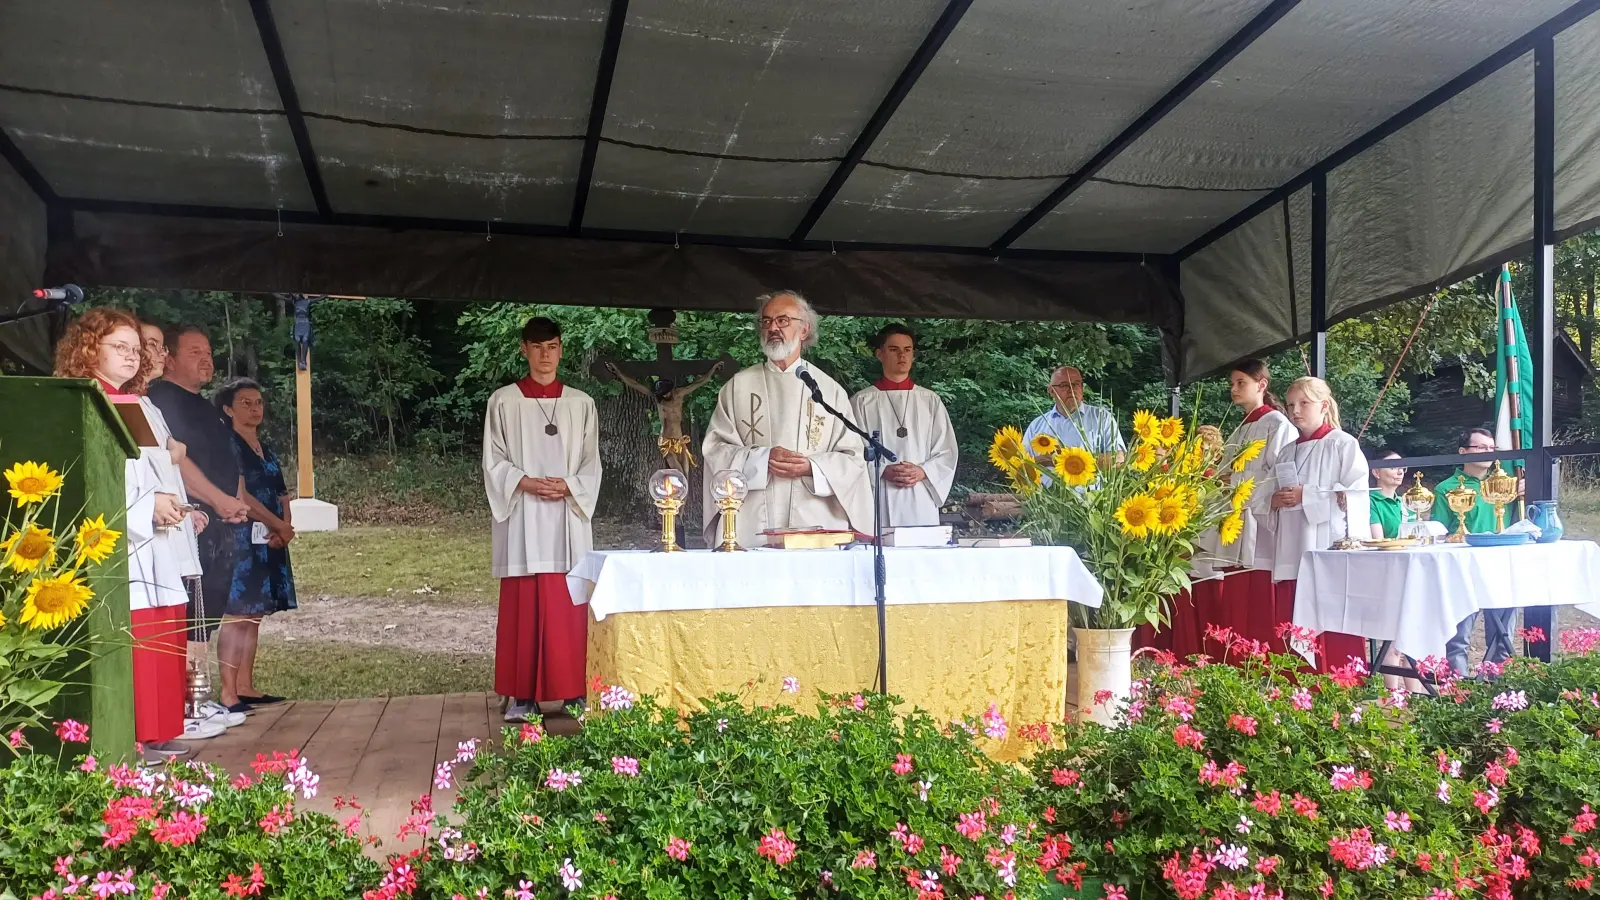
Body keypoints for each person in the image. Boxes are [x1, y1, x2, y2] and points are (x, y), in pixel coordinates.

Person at [51, 309, 238, 755]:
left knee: (162, 633)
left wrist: (173, 503)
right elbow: (92, 477)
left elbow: (148, 469)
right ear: (88, 347)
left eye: (136, 349)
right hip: (124, 546)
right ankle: (132, 740)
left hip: (157, 541)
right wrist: (145, 508)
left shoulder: (131, 402)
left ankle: (157, 731)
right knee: (136, 639)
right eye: (120, 347)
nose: (132, 356)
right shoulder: (87, 400)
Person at [483, 317, 601, 723]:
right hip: (523, 515)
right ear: (524, 350)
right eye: (536, 347)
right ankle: (522, 695)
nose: (545, 355)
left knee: (568, 603)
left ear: (561, 349)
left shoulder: (581, 404)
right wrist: (526, 482)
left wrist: (569, 486)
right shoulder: (503, 402)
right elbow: (494, 461)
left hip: (568, 515)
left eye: (551, 346)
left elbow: (591, 462)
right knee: (524, 605)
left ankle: (574, 692)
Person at [702, 291, 874, 547]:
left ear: (804, 330)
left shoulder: (829, 391)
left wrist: (812, 468)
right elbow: (715, 451)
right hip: (750, 520)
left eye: (782, 320)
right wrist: (762, 460)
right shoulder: (737, 387)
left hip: (815, 518)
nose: (773, 328)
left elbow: (852, 458)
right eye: (767, 321)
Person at [145, 324, 252, 711]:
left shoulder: (204, 404)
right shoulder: (162, 399)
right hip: (190, 520)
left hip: (220, 521)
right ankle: (187, 703)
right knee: (191, 614)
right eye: (194, 352)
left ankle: (197, 699)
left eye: (208, 352)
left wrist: (235, 502)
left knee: (207, 615)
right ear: (170, 359)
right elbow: (178, 461)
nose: (206, 359)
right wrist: (218, 501)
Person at [1267, 376, 1370, 671]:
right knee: (1291, 623)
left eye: (1304, 403)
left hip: (1326, 548)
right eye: (1290, 405)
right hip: (1291, 549)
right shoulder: (1286, 451)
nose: (1295, 410)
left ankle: (1339, 682)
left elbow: (1355, 495)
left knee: (1331, 626)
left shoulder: (1342, 444)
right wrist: (1274, 500)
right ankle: (1294, 686)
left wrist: (1307, 495)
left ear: (1324, 406)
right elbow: (1266, 495)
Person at [1200, 359, 1298, 658]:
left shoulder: (1276, 423)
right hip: (1237, 519)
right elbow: (1226, 471)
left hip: (1260, 522)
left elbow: (1279, 473)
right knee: (1238, 595)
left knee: (1258, 597)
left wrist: (1235, 480)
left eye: (1241, 382)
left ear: (1261, 385)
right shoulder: (1241, 427)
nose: (1234, 389)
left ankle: (1262, 658)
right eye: (1232, 384)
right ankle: (1237, 658)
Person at [215, 379, 297, 711]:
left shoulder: (267, 447)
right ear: (228, 409)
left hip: (270, 538)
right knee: (237, 613)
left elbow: (282, 492)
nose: (255, 408)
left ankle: (245, 686)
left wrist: (285, 526)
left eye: (258, 402)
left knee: (254, 614)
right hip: (242, 537)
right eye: (246, 403)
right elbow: (242, 496)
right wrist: (276, 523)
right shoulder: (228, 445)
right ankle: (228, 692)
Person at [849, 323, 958, 528]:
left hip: (920, 497)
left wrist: (923, 471)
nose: (902, 355)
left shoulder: (929, 400)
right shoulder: (862, 402)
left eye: (907, 350)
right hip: (879, 494)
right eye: (894, 349)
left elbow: (947, 451)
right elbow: (850, 452)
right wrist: (881, 470)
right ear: (879, 354)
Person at [1435, 427, 1513, 676]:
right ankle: (1458, 690)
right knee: (1458, 639)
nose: (1488, 452)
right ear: (1463, 452)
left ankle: (1497, 687)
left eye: (1491, 448)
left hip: (1500, 567)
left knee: (1503, 637)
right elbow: (1438, 533)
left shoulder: (1503, 485)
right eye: (1481, 447)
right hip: (1463, 571)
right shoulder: (1445, 488)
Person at [1022, 365, 1125, 458]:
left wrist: (1075, 462)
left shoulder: (1102, 417)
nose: (1071, 389)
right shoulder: (1037, 425)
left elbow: (1118, 458)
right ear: (1051, 391)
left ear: (1082, 387)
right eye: (1064, 385)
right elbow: (1022, 462)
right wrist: (1041, 460)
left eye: (1076, 384)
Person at [1369, 449, 1406, 539]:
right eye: (1393, 467)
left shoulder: (1405, 502)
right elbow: (1379, 542)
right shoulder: (1370, 501)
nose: (1400, 472)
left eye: (1402, 467)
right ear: (1376, 472)